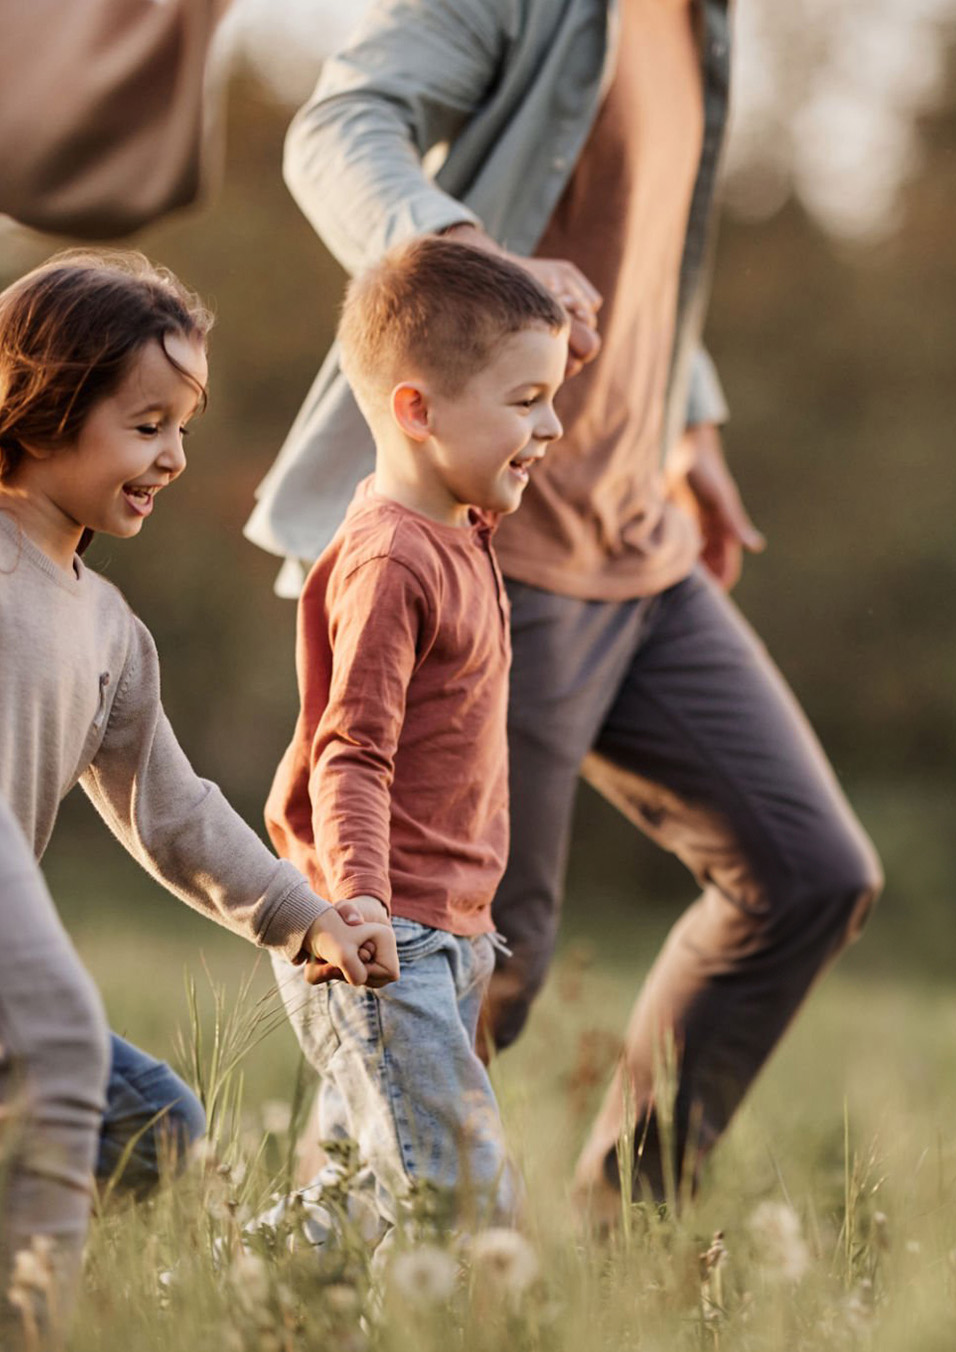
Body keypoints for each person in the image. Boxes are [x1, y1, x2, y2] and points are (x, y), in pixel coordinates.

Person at [244, 0, 883, 1214]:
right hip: (492, 555)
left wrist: (685, 420)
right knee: (474, 960)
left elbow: (645, 252)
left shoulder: (702, 24)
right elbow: (336, 122)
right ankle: (336, 1276)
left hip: (640, 537)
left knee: (807, 871)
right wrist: (474, 261)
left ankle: (618, 1228)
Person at [0, 250, 399, 1340]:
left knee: (151, 1125)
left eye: (183, 425)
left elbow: (168, 809)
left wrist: (302, 914)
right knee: (69, 1052)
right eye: (145, 424)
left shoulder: (111, 634)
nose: (175, 455)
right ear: (41, 409)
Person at [265, 236, 568, 1237]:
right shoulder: (393, 555)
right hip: (386, 932)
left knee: (362, 1190)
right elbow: (350, 749)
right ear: (416, 409)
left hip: (451, 929)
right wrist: (359, 902)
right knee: (467, 1208)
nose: (552, 424)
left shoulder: (460, 525)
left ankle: (240, 1297)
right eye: (526, 401)